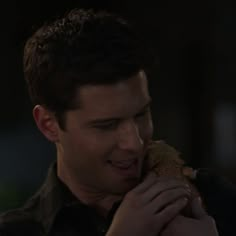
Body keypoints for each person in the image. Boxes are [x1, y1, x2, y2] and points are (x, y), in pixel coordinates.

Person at [0, 8, 235, 236]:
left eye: (141, 114)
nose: (134, 143)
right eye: (107, 125)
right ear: (48, 125)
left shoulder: (212, 200)